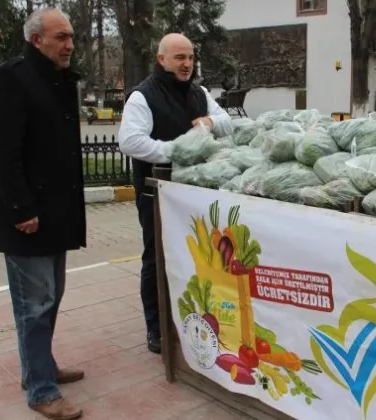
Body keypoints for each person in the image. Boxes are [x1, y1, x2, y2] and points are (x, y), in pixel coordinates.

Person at [0, 7, 85, 420]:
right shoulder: (13, 79)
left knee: (50, 297)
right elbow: (4, 154)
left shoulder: (59, 81)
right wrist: (21, 208)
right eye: (61, 37)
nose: (69, 45)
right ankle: (42, 390)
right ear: (36, 39)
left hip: (55, 214)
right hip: (26, 217)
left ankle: (40, 368)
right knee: (35, 304)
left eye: (71, 36)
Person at [118, 33, 233, 354]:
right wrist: (176, 151)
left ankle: (189, 318)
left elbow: (227, 122)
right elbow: (129, 141)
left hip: (194, 195)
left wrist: (209, 121)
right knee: (156, 258)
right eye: (180, 58)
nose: (187, 64)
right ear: (161, 60)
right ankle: (156, 327)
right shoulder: (142, 97)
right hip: (156, 194)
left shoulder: (198, 93)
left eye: (191, 58)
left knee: (194, 257)